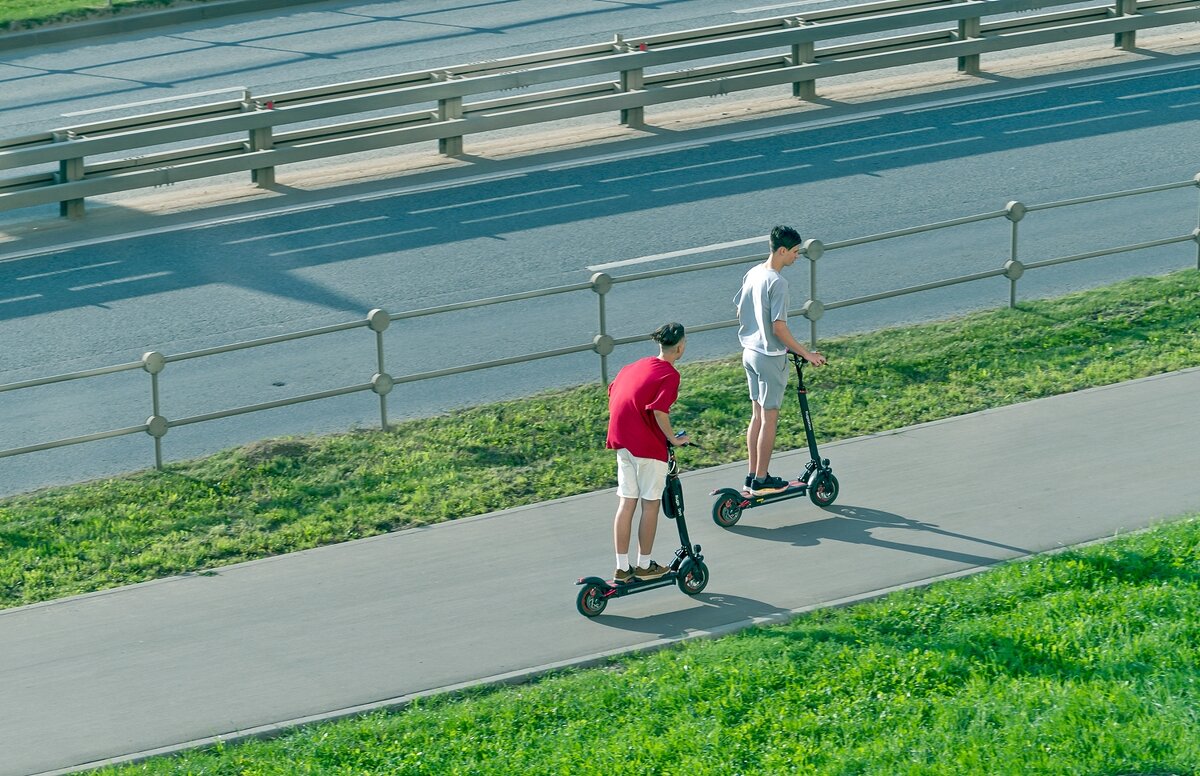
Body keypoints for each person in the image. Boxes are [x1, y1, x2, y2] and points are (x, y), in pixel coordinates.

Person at [734, 225, 826, 495]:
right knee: (770, 418)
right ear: (782, 250)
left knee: (757, 416)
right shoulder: (778, 282)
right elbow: (779, 328)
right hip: (769, 357)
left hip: (749, 353)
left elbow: (741, 309)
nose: (797, 257)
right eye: (795, 252)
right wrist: (806, 353)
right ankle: (762, 480)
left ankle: (752, 475)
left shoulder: (753, 272)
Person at [605, 322, 691, 583]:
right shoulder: (670, 375)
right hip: (646, 448)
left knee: (626, 502)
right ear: (680, 347)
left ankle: (622, 568)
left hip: (622, 442)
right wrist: (674, 440)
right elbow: (659, 410)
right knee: (650, 504)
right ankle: (644, 566)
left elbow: (614, 391)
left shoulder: (635, 365)